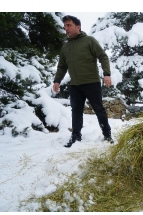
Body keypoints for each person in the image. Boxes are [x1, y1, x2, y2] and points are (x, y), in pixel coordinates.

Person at [53, 15, 114, 148]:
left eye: (69, 25)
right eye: (65, 26)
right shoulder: (65, 47)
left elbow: (103, 56)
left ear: (78, 27)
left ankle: (107, 135)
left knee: (99, 109)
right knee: (76, 110)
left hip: (91, 82)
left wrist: (107, 74)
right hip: (75, 85)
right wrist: (57, 80)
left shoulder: (89, 41)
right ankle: (76, 136)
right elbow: (62, 66)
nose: (66, 29)